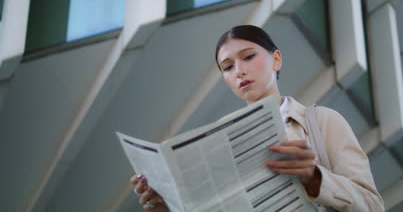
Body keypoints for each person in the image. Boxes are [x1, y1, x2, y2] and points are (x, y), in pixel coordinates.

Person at [131, 25, 385, 211]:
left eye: (248, 57)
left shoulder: (322, 122)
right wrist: (170, 207)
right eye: (228, 67)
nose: (239, 71)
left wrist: (315, 178)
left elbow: (373, 206)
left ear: (276, 59)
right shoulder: (217, 139)